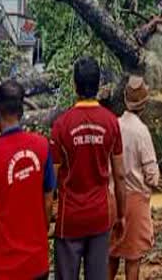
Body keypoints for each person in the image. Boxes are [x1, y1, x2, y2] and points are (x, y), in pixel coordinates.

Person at [51, 56, 127, 280]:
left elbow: (52, 179)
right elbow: (120, 175)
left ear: (75, 85)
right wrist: (121, 215)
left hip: (70, 219)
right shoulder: (111, 122)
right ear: (98, 86)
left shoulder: (61, 125)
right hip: (100, 216)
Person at [0, 80, 56, 280]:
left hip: (5, 269)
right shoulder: (42, 146)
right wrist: (39, 238)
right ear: (21, 111)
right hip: (37, 262)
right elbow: (48, 202)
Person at [109, 76, 161, 280]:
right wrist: (157, 179)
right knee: (133, 258)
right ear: (144, 104)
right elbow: (151, 174)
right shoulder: (141, 132)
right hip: (135, 202)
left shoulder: (113, 125)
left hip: (112, 197)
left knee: (111, 255)